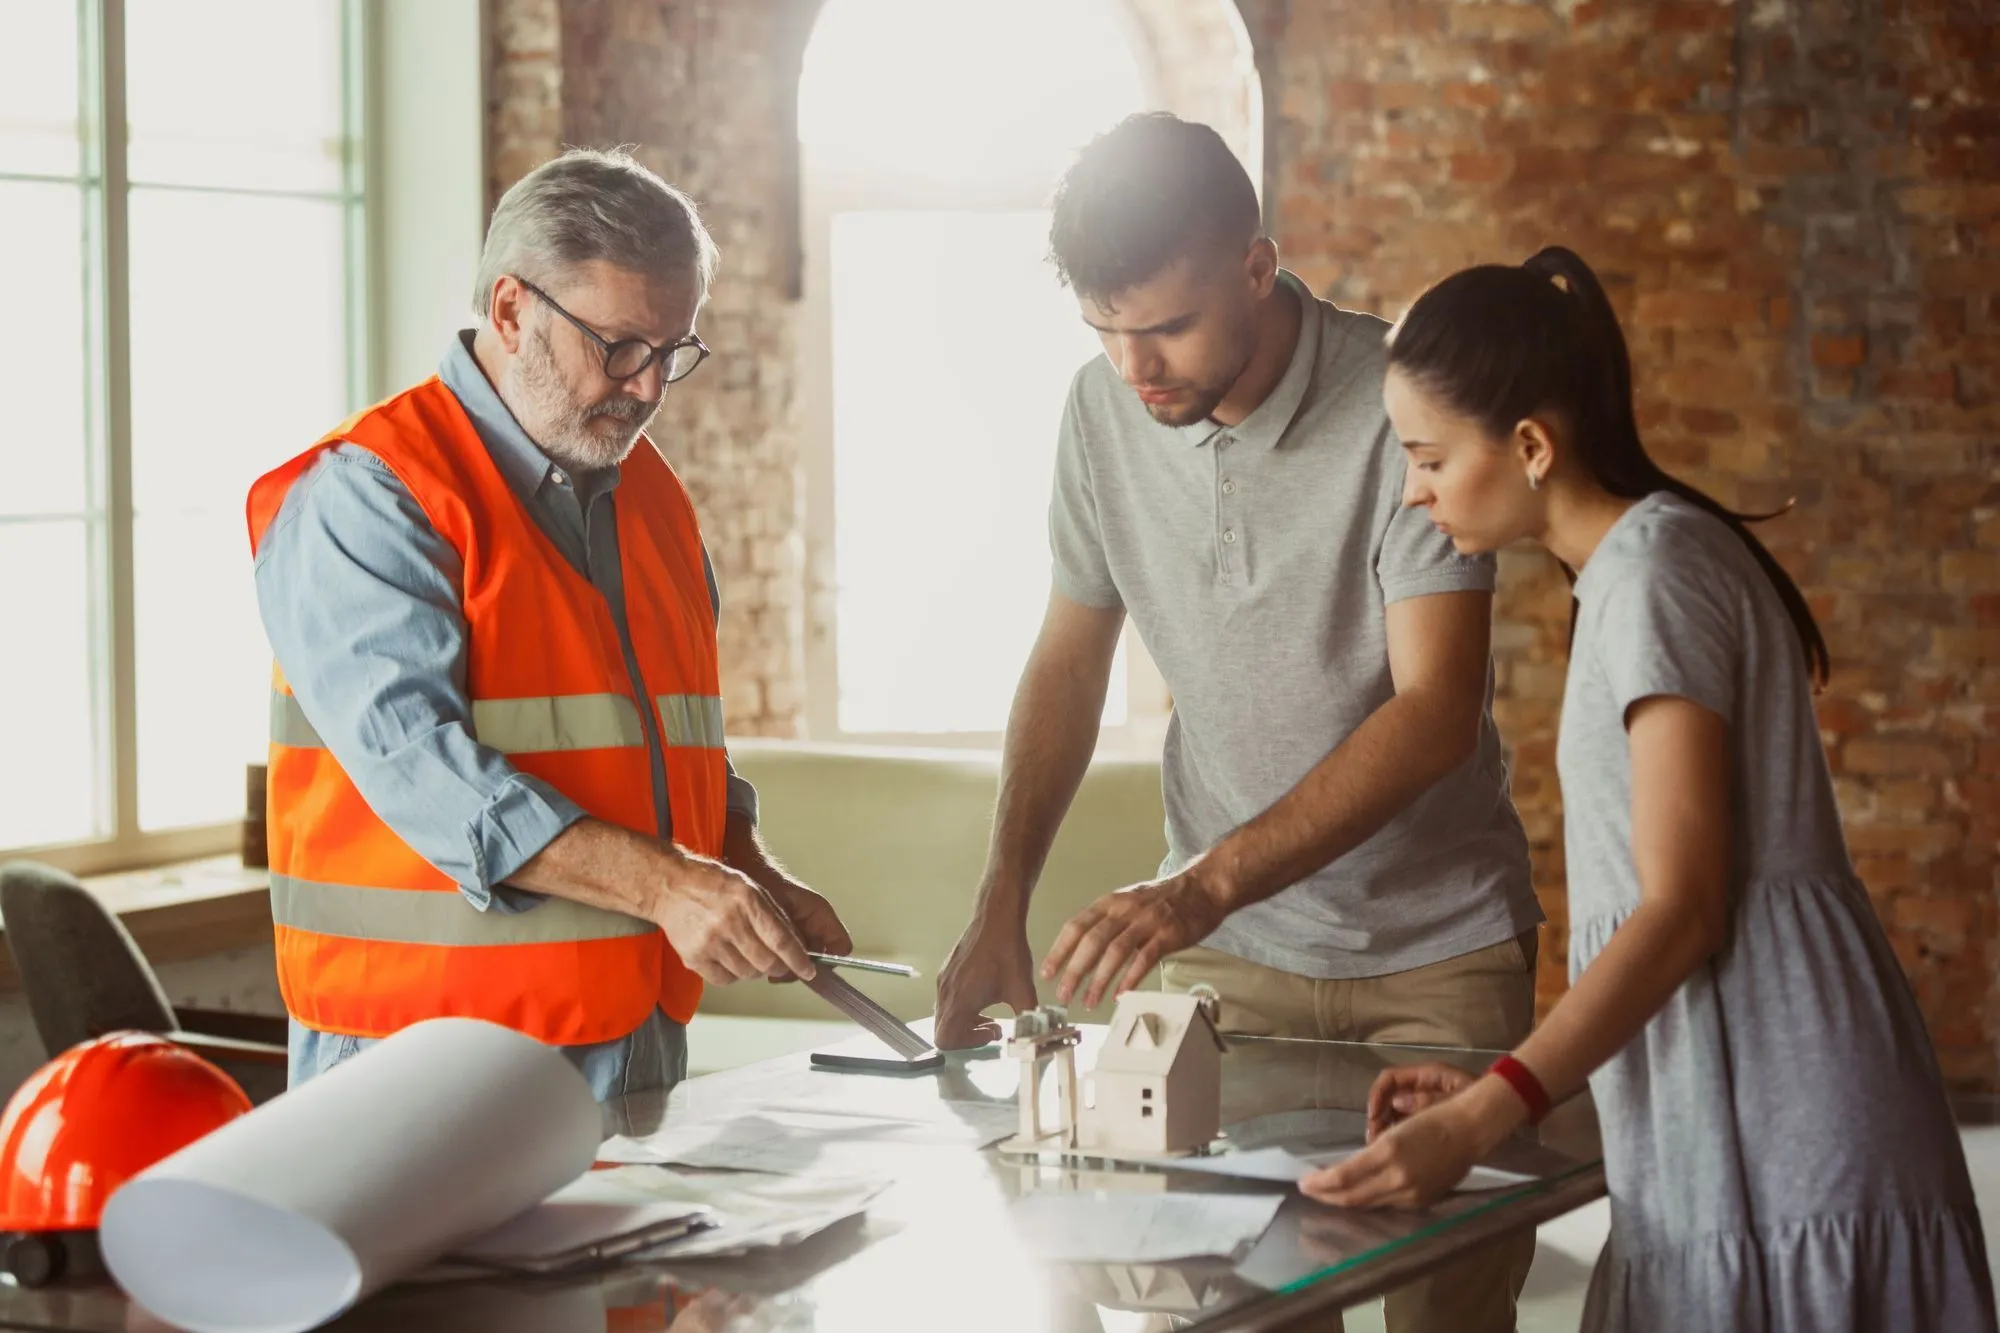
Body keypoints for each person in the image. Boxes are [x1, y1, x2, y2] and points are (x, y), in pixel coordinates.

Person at [1304, 245, 1997, 1332]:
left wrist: (1493, 1107)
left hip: (1787, 1106)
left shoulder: (1654, 573)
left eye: (1427, 456)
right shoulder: (1639, 568)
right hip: (1731, 1099)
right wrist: (1529, 1082)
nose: (1412, 489)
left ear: (1529, 445)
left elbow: (1680, 906)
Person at [933, 113, 1542, 1333]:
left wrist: (1200, 886)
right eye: (1104, 330)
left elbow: (1432, 714)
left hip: (1436, 958)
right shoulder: (1098, 415)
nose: (1134, 365)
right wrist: (1001, 898)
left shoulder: (1398, 406)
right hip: (1221, 967)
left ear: (1257, 268)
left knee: (1446, 1323)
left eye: (1164, 326)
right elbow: (1068, 656)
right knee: (1215, 1314)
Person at [248, 149, 852, 1100]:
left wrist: (743, 865)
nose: (649, 388)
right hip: (422, 1065)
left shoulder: (653, 499)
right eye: (619, 347)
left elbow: (668, 745)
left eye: (671, 352)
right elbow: (430, 776)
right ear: (511, 311)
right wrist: (668, 887)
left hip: (633, 1043)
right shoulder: (370, 499)